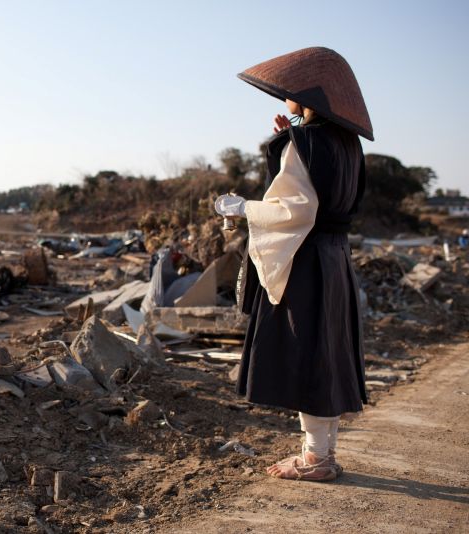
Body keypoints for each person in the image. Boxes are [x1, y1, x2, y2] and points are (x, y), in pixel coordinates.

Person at [215, 47, 373, 482]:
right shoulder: (349, 146)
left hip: (307, 261)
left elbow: (295, 210)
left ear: (307, 97)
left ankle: (317, 458)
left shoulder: (304, 146)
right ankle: (321, 452)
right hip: (336, 258)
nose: (282, 97)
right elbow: (325, 194)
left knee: (309, 354)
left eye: (289, 93)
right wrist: (297, 135)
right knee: (328, 353)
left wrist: (241, 206)